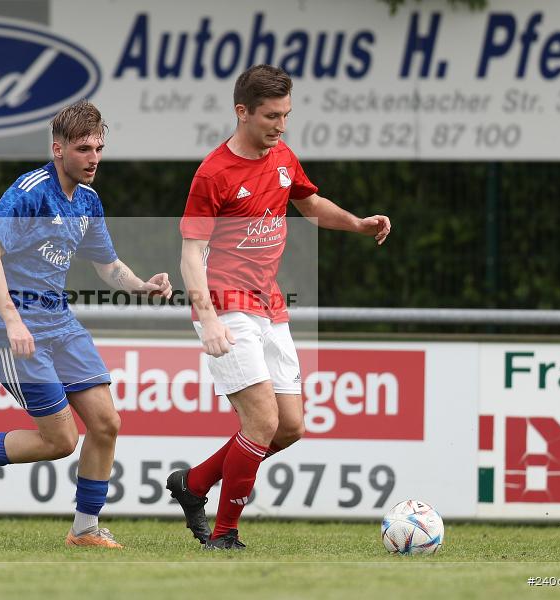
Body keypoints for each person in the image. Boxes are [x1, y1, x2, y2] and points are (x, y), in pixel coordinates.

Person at [167, 65, 391, 550]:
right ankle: (224, 535)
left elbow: (311, 205)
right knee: (262, 423)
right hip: (226, 308)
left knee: (288, 428)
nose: (281, 125)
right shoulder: (213, 173)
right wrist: (208, 319)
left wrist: (357, 223)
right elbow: (190, 253)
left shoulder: (284, 157)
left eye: (287, 114)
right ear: (242, 112)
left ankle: (195, 483)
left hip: (269, 306)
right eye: (272, 116)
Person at [0, 99, 172, 548]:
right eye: (84, 149)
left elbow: (108, 266)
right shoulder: (29, 191)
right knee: (61, 440)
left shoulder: (88, 201)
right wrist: (13, 320)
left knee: (106, 422)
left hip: (59, 322)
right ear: (58, 149)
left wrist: (142, 285)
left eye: (98, 148)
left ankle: (84, 530)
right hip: (14, 330)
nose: (94, 158)